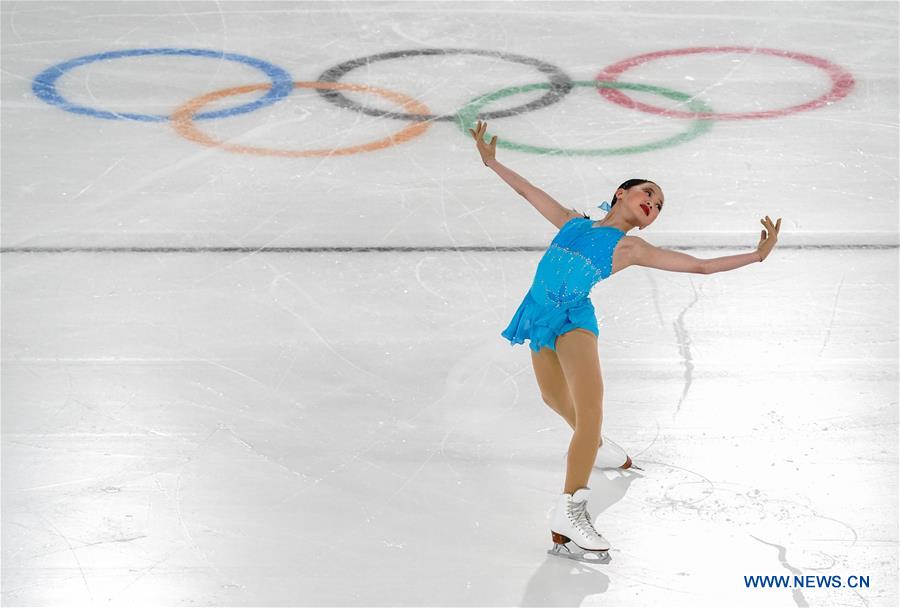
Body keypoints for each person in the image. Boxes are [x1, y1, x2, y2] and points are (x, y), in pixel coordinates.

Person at [469, 120, 781, 562]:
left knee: (590, 407)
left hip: (574, 319)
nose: (652, 203)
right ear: (621, 193)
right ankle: (595, 445)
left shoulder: (631, 249)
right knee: (554, 400)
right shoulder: (572, 223)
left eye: (658, 204)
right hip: (538, 314)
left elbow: (700, 267)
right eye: (648, 193)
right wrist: (492, 161)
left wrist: (756, 255)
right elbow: (528, 192)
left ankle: (571, 509)